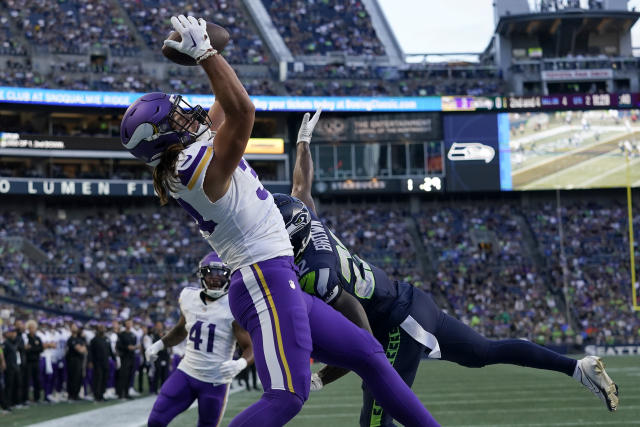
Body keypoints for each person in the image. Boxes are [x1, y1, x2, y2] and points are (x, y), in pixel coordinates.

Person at [121, 15, 438, 427]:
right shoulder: (190, 166)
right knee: (287, 395)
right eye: (176, 119)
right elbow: (242, 111)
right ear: (161, 138)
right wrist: (205, 55)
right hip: (263, 277)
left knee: (369, 354)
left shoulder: (186, 154)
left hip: (273, 273)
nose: (188, 114)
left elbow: (229, 85)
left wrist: (209, 44)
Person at [274, 110, 620, 426]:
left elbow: (363, 340)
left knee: (376, 418)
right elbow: (300, 187)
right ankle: (577, 367)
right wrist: (302, 143)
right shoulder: (308, 221)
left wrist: (322, 377)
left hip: (398, 324)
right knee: (483, 352)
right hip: (410, 299)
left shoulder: (317, 272)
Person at [145, 251, 255, 427]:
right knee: (156, 420)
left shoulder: (233, 306)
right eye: (211, 273)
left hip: (215, 381)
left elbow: (251, 346)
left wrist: (240, 364)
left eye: (221, 274)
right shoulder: (188, 297)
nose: (215, 278)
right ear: (202, 275)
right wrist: (158, 346)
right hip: (186, 373)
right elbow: (181, 330)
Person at [89, 324, 114, 402]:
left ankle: (102, 394)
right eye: (100, 328)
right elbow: (90, 352)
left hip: (106, 362)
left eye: (103, 328)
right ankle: (97, 396)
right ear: (97, 330)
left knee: (104, 378)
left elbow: (110, 350)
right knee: (98, 379)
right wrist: (90, 361)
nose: (102, 329)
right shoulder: (94, 340)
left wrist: (114, 359)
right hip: (97, 362)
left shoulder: (107, 339)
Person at [66, 323, 87, 401]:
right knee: (73, 378)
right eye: (73, 327)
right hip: (72, 361)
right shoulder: (70, 339)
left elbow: (85, 349)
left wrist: (82, 348)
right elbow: (80, 350)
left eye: (76, 327)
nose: (75, 328)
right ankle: (71, 395)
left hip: (79, 361)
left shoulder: (80, 339)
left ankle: (76, 394)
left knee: (79, 377)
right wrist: (82, 348)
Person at [116, 319, 136, 400]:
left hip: (131, 357)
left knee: (129, 375)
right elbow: (118, 346)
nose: (129, 324)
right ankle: (121, 394)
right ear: (125, 324)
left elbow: (134, 345)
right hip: (124, 357)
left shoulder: (133, 334)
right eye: (127, 323)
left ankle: (127, 393)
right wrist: (127, 347)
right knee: (123, 376)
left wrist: (135, 347)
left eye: (130, 323)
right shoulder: (121, 334)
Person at [148, 321, 170, 394]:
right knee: (157, 372)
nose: (159, 327)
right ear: (155, 327)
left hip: (165, 356)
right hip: (157, 356)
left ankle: (163, 388)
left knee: (165, 373)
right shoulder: (153, 336)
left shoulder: (166, 335)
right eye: (157, 325)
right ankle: (155, 389)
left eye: (160, 325)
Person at [25, 320, 43, 402]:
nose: (33, 329)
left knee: (37, 379)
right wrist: (34, 349)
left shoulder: (37, 338)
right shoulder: (26, 337)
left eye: (34, 328)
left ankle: (37, 397)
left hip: (36, 361)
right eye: (31, 328)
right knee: (27, 380)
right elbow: (26, 349)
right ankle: (26, 397)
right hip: (28, 362)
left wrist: (31, 348)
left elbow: (41, 348)